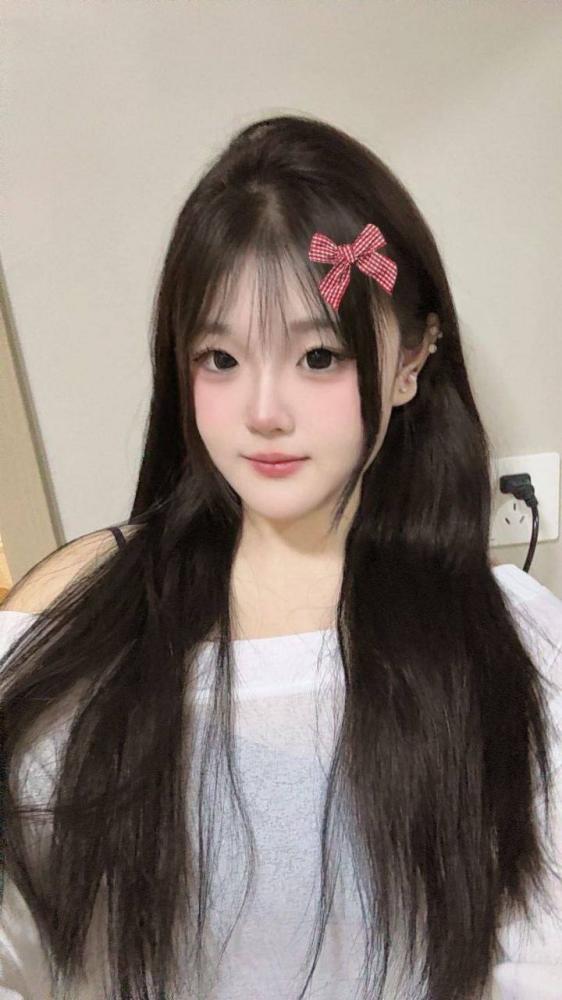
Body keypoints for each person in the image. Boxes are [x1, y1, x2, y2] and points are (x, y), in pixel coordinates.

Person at [1, 114, 561, 1000]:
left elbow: (538, 952)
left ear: (412, 359)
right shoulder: (74, 607)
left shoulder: (509, 636)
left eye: (319, 355)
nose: (264, 411)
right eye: (221, 357)